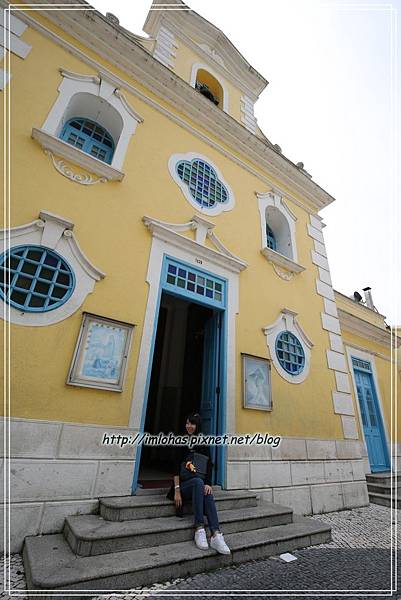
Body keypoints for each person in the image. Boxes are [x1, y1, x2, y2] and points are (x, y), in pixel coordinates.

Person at [166, 413, 231, 555]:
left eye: (192, 424)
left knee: (206, 491)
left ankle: (216, 534)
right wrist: (177, 490)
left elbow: (208, 465)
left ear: (198, 426)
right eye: (187, 423)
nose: (189, 426)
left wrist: (209, 484)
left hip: (198, 484)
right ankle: (199, 528)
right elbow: (175, 467)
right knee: (197, 482)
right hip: (183, 486)